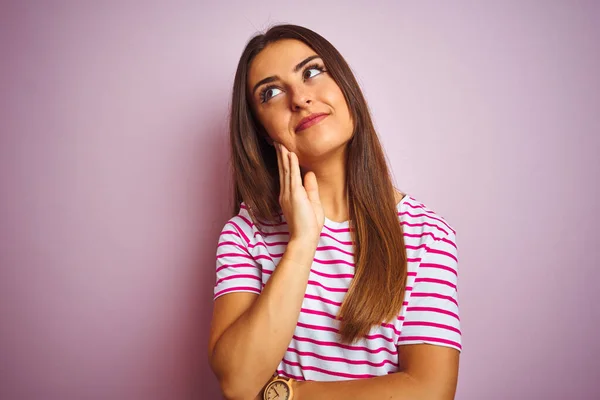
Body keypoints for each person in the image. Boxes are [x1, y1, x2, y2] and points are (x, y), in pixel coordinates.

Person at [207, 24, 461, 400]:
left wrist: (286, 394)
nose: (300, 98)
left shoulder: (429, 235)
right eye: (271, 92)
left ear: (345, 87)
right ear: (262, 132)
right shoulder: (246, 234)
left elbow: (430, 391)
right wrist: (303, 242)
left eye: (311, 72)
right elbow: (238, 383)